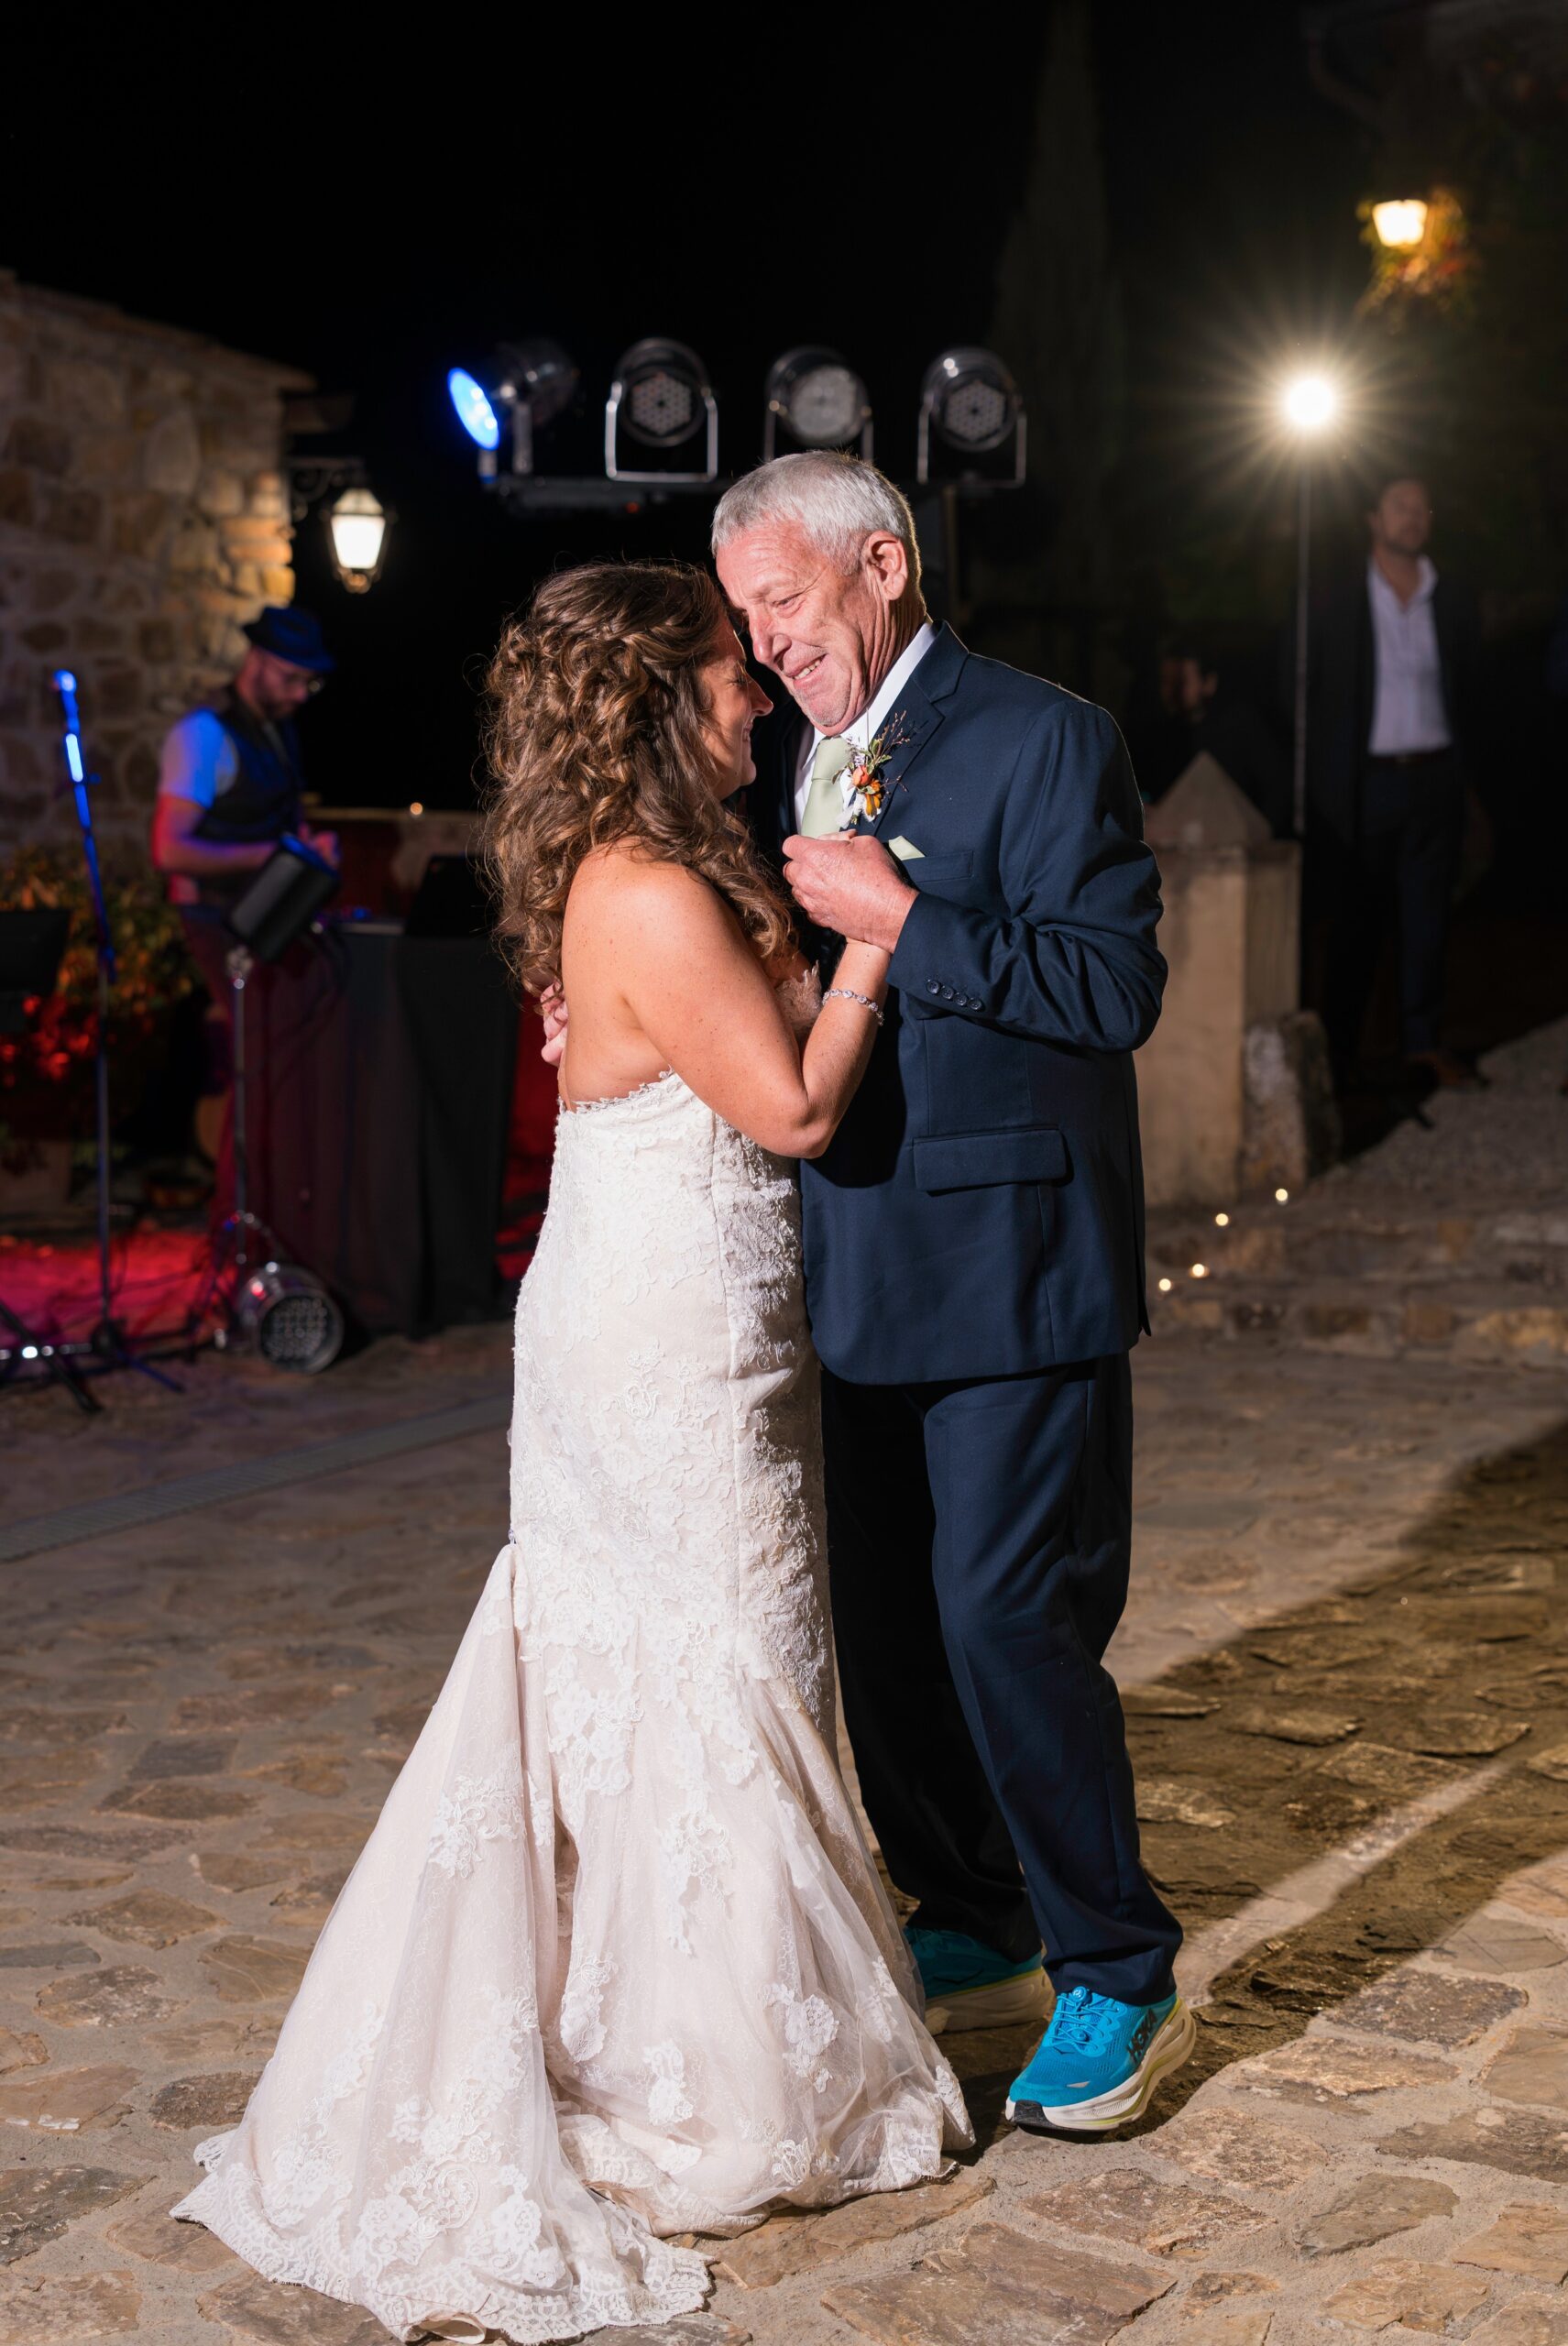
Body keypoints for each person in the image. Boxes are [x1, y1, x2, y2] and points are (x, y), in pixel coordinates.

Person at [172, 563, 969, 2343]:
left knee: (711, 1653)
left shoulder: (659, 868)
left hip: (690, 1314)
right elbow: (796, 1105)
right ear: (655, 701)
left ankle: (673, 2015)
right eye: (726, 669)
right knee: (719, 1654)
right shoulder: (649, 889)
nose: (753, 690)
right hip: (662, 1340)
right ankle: (712, 2066)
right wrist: (882, 937)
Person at [707, 452, 1192, 2139]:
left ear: (882, 565)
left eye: (783, 600)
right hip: (850, 1252)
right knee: (892, 1631)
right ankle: (971, 1903)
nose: (767, 643)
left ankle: (1116, 1968)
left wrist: (903, 918)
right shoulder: (779, 755)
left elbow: (1112, 989)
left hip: (1014, 1266)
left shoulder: (1048, 737)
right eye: (745, 619)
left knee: (1003, 1619)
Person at [1305, 474, 1481, 1089]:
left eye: (1421, 507)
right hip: (1366, 784)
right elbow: (1301, 688)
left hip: (1433, 777)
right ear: (1373, 519)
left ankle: (1421, 1045)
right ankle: (1340, 1054)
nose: (1412, 516)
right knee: (1356, 920)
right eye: (1399, 506)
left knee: (1428, 919)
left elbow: (1468, 686)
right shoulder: (1338, 598)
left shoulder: (1449, 596)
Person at [149, 606, 340, 1163]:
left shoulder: (277, 732)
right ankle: (236, 1197)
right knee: (257, 1058)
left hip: (268, 921)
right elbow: (169, 849)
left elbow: (274, 822)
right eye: (291, 678)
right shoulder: (202, 735)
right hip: (218, 920)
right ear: (256, 661)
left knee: (284, 1052)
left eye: (309, 682)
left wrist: (305, 850)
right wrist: (271, 858)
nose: (301, 694)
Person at [1130, 638, 1291, 833]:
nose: (1172, 691)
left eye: (1182, 682)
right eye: (1167, 682)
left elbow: (1278, 787)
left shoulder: (1239, 727)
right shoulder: (1160, 736)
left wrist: (1257, 834)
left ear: (1208, 683)